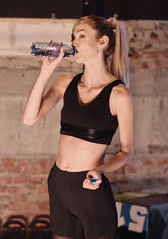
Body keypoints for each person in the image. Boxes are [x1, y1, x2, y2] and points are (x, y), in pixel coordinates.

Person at [22, 15, 134, 239]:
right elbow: (29, 118)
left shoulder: (118, 94)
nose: (74, 42)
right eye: (73, 37)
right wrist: (46, 72)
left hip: (89, 186)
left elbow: (126, 152)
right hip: (58, 183)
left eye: (81, 36)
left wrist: (100, 170)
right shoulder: (65, 81)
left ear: (102, 42)